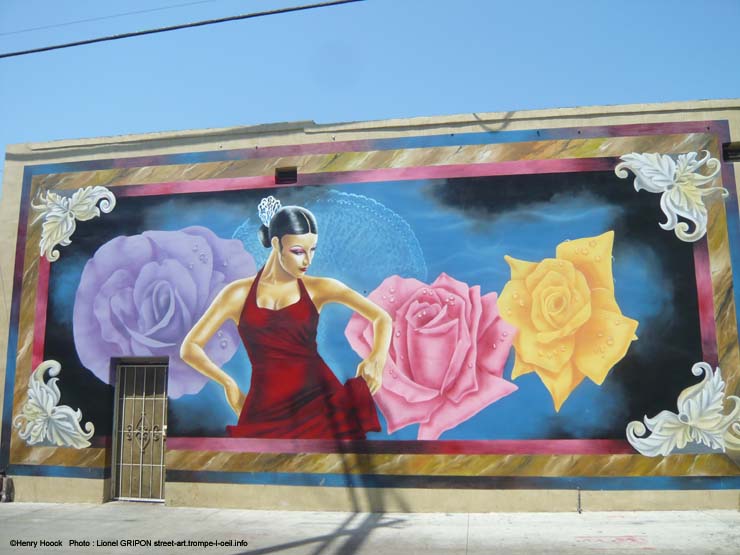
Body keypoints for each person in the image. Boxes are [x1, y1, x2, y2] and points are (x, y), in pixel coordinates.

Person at [180, 196, 391, 439]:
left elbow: (381, 318)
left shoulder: (319, 288)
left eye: (313, 250)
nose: (308, 260)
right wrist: (228, 384)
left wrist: (377, 358)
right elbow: (190, 347)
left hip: (322, 402)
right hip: (264, 408)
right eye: (298, 251)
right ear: (277, 243)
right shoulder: (237, 294)